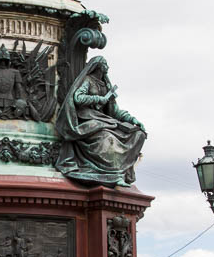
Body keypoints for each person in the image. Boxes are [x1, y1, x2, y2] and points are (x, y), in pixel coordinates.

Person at [55, 56, 146, 186]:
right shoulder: (87, 80)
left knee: (138, 134)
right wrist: (98, 99)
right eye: (105, 64)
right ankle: (112, 175)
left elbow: (115, 111)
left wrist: (133, 119)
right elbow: (78, 98)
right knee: (107, 138)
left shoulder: (106, 86)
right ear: (98, 66)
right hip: (87, 119)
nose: (107, 67)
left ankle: (119, 173)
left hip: (103, 120)